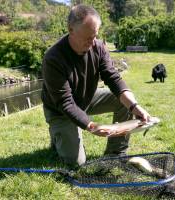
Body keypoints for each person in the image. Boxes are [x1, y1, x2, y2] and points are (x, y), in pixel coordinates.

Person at [41, 4, 150, 166]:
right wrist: (91, 125)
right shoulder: (53, 58)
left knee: (123, 102)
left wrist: (134, 106)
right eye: (87, 38)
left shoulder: (98, 47)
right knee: (76, 163)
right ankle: (58, 136)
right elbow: (65, 103)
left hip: (86, 99)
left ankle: (115, 153)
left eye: (95, 36)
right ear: (71, 30)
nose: (92, 43)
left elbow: (114, 79)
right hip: (60, 111)